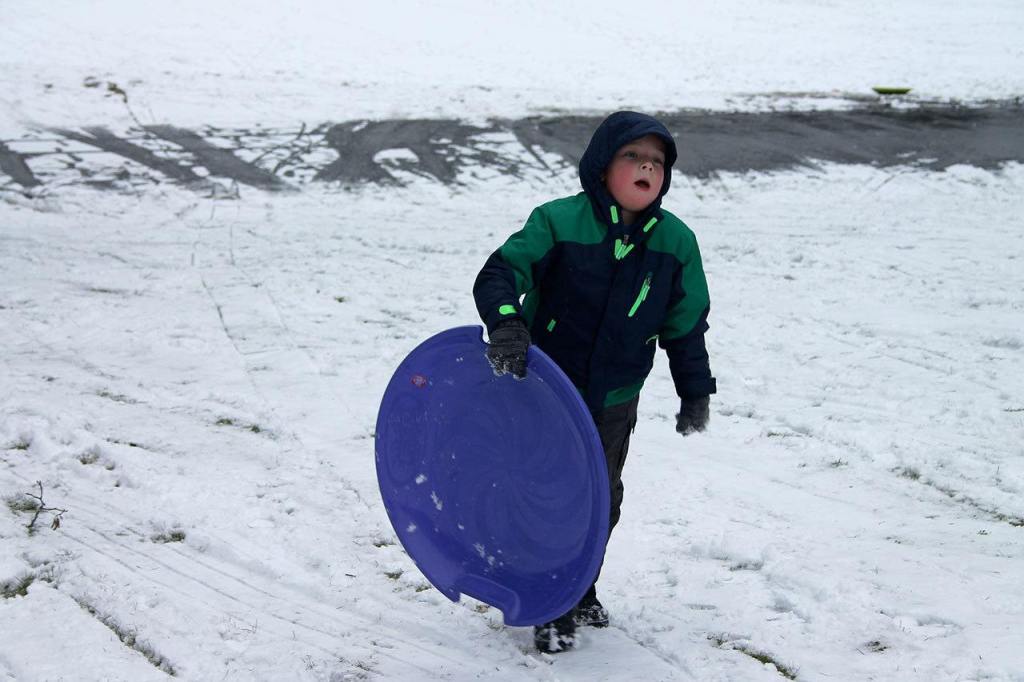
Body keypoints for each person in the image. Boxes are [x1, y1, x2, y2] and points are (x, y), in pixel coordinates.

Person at [473, 111, 716, 653]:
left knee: (600, 500)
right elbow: (500, 272)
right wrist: (508, 323)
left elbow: (685, 322)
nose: (646, 168)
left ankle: (579, 587)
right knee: (544, 494)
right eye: (633, 156)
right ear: (603, 167)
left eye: (656, 162)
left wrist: (695, 388)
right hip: (545, 389)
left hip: (613, 399)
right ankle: (549, 600)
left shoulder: (676, 243)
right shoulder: (560, 222)